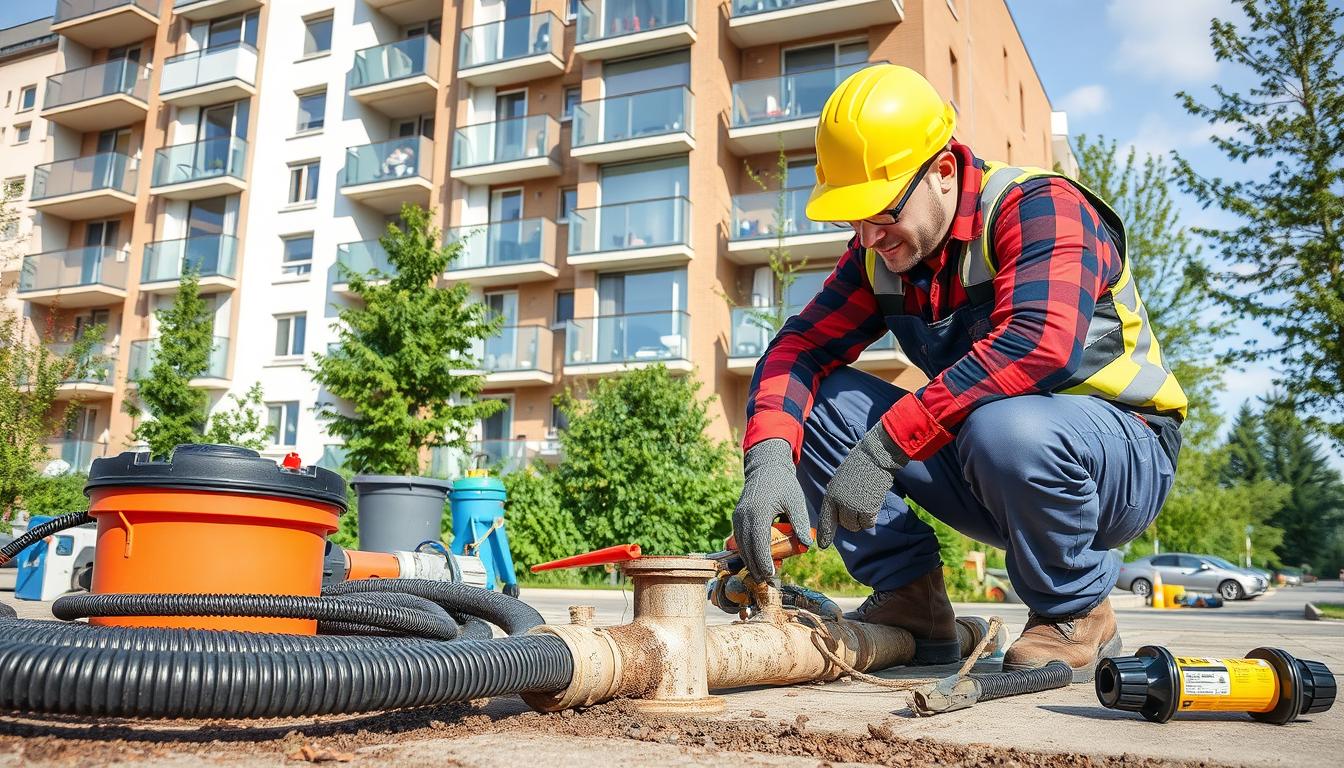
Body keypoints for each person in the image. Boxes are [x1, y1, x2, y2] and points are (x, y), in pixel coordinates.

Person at [732, 64, 1186, 682]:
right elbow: (797, 350)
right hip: (987, 454)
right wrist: (768, 461)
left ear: (944, 171)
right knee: (820, 401)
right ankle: (911, 600)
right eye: (851, 218)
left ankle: (1076, 608)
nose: (867, 235)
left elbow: (1038, 345)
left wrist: (889, 443)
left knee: (1005, 425)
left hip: (1119, 457)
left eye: (881, 210)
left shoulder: (1042, 207)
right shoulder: (880, 256)